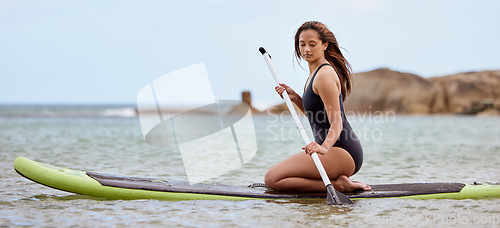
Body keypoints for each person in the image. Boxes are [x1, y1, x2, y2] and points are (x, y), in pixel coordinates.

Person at [264, 21, 371, 192]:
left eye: (312, 44)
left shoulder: (324, 75)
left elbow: (336, 122)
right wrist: (296, 98)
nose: (306, 49)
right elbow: (318, 117)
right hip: (333, 150)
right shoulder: (314, 74)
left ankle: (338, 185)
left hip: (342, 151)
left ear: (325, 45)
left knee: (272, 178)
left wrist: (324, 147)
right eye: (302, 44)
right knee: (274, 174)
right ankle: (337, 181)